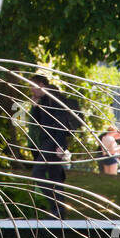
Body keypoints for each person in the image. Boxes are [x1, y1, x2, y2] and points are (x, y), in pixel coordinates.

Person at [28, 75, 77, 218]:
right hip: (47, 141)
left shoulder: (54, 98)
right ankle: (59, 211)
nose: (31, 90)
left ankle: (56, 207)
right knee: (56, 177)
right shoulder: (43, 100)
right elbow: (38, 123)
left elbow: (59, 123)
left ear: (42, 85)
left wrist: (60, 145)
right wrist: (35, 107)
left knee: (38, 173)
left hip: (53, 142)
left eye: (33, 86)